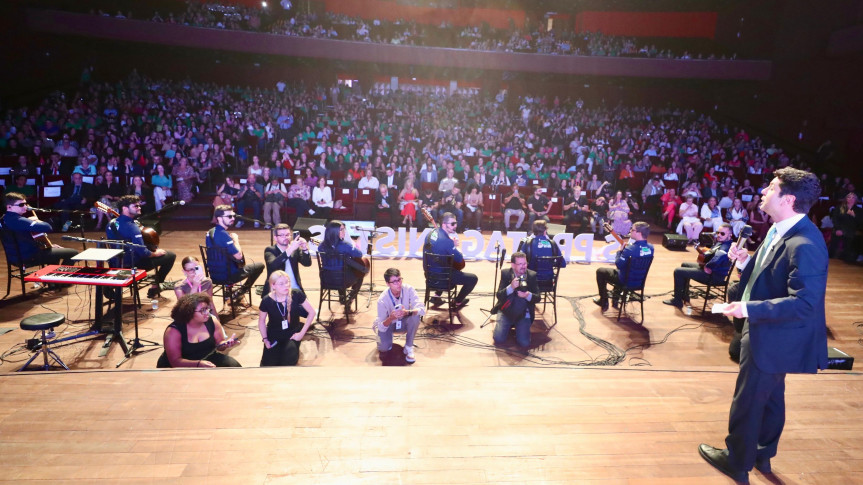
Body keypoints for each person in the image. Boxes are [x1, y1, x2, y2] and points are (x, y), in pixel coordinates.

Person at [700, 168, 828, 483]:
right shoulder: (778, 229)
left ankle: (737, 461)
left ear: (789, 199)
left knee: (748, 399)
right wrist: (745, 261)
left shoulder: (805, 243)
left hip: (774, 335)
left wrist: (746, 308)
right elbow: (771, 273)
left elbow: (804, 304)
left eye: (771, 188)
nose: (762, 192)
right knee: (771, 397)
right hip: (769, 330)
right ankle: (762, 453)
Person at [106, 195, 176, 299]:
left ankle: (110, 286)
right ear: (124, 208)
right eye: (135, 206)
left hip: (116, 263)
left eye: (139, 205)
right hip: (133, 265)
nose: (139, 207)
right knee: (170, 256)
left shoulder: (110, 223)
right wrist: (156, 253)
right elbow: (143, 253)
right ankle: (156, 286)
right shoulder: (132, 227)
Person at [156, 293, 241, 368]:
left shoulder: (212, 321)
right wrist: (198, 364)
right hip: (181, 365)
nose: (207, 312)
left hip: (207, 357)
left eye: (207, 308)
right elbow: (175, 362)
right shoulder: (173, 331)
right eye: (202, 310)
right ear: (189, 312)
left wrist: (226, 344)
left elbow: (220, 345)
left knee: (234, 366)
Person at [663, 223, 734, 311]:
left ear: (730, 235)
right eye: (718, 232)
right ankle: (684, 295)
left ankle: (677, 300)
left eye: (722, 233)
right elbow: (711, 254)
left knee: (678, 271)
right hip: (711, 270)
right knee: (685, 264)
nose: (719, 235)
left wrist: (708, 266)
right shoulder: (722, 242)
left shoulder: (725, 247)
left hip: (714, 275)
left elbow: (717, 259)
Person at [0, 192, 79, 267]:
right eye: (21, 205)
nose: (25, 207)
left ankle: (51, 279)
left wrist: (49, 247)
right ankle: (58, 278)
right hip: (29, 257)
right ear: (9, 207)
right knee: (73, 253)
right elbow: (48, 227)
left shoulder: (3, 219)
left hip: (15, 257)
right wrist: (37, 221)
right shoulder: (19, 220)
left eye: (25, 204)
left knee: (54, 253)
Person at [206, 205, 265, 299]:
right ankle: (240, 292)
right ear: (219, 218)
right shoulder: (223, 235)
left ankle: (228, 291)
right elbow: (239, 257)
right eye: (229, 216)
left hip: (213, 274)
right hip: (228, 276)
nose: (233, 218)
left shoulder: (210, 232)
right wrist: (236, 240)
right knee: (260, 266)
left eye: (233, 216)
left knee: (226, 261)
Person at [258, 270, 316, 366]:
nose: (286, 286)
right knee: (268, 365)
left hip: (292, 334)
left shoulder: (296, 294)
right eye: (281, 284)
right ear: (273, 286)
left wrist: (301, 334)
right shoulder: (266, 300)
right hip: (274, 335)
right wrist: (265, 339)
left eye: (287, 282)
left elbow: (312, 312)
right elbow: (261, 321)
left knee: (287, 362)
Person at [593, 221, 654, 311]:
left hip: (626, 281)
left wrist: (620, 252)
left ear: (639, 233)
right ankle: (615, 299)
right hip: (640, 282)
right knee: (622, 271)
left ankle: (603, 300)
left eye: (632, 230)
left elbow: (618, 264)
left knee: (601, 271)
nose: (630, 231)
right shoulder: (651, 248)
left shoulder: (630, 249)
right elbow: (639, 252)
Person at [423, 211, 477, 308]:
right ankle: (457, 301)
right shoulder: (447, 242)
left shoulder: (430, 234)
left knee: (445, 263)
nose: (455, 226)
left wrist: (449, 244)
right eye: (452, 224)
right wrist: (454, 246)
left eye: (456, 223)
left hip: (429, 276)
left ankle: (437, 295)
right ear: (444, 224)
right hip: (442, 279)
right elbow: (460, 259)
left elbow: (439, 246)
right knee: (473, 278)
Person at [373, 268, 425, 363]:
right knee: (383, 348)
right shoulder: (382, 299)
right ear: (388, 284)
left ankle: (409, 346)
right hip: (389, 324)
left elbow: (422, 309)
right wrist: (391, 318)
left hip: (404, 322)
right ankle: (385, 340)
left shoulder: (409, 289)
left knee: (415, 316)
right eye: (394, 282)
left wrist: (408, 312)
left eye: (399, 280)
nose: (399, 284)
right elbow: (381, 326)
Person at [492, 251, 540, 350]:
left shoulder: (531, 275)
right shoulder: (506, 273)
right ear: (513, 265)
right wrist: (510, 287)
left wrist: (527, 295)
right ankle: (509, 325)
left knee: (524, 343)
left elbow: (538, 297)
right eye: (520, 264)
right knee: (498, 339)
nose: (523, 266)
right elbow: (499, 295)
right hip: (506, 310)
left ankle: (516, 327)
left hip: (523, 312)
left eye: (525, 263)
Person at [318, 220, 368, 303]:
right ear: (334, 232)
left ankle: (342, 297)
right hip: (342, 280)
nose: (344, 232)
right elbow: (359, 254)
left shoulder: (321, 246)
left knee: (337, 270)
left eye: (344, 229)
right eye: (341, 230)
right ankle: (350, 298)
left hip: (326, 279)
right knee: (360, 274)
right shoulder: (345, 245)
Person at [263, 224, 311, 295]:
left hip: (295, 289)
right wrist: (291, 249)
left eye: (288, 235)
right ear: (275, 238)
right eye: (282, 235)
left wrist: (305, 249)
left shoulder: (295, 249)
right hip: (277, 291)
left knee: (308, 306)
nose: (286, 237)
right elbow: (273, 265)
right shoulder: (270, 250)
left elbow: (307, 263)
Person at [829, 192, 860, 262]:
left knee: (850, 240)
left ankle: (846, 259)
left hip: (851, 230)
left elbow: (860, 222)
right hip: (839, 229)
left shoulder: (859, 210)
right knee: (834, 243)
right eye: (849, 197)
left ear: (856, 199)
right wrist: (838, 229)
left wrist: (854, 216)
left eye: (853, 197)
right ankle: (830, 258)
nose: (851, 199)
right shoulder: (840, 208)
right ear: (846, 199)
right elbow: (835, 219)